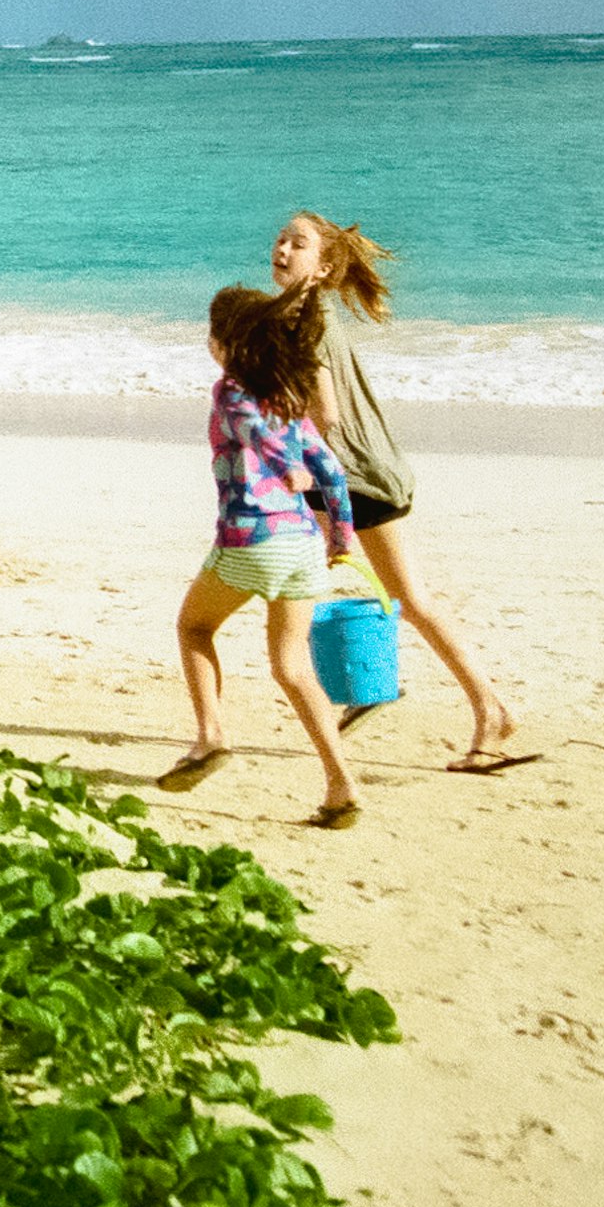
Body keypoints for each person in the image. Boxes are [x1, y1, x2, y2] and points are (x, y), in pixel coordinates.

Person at [272, 211, 523, 771]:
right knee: (319, 587)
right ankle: (366, 686)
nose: (283, 248)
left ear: (324, 266)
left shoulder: (304, 319)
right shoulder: (300, 312)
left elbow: (326, 414)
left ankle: (490, 707)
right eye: (281, 239)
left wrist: (293, 462)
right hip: (346, 473)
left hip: (353, 475)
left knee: (402, 599)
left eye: (299, 243)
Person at [163, 283, 363, 827]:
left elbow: (255, 435)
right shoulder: (291, 398)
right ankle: (340, 783)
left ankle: (211, 737)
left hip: (253, 539)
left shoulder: (231, 391)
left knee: (193, 628)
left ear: (224, 343)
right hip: (301, 544)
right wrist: (341, 535)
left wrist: (282, 467)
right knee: (293, 667)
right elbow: (332, 468)